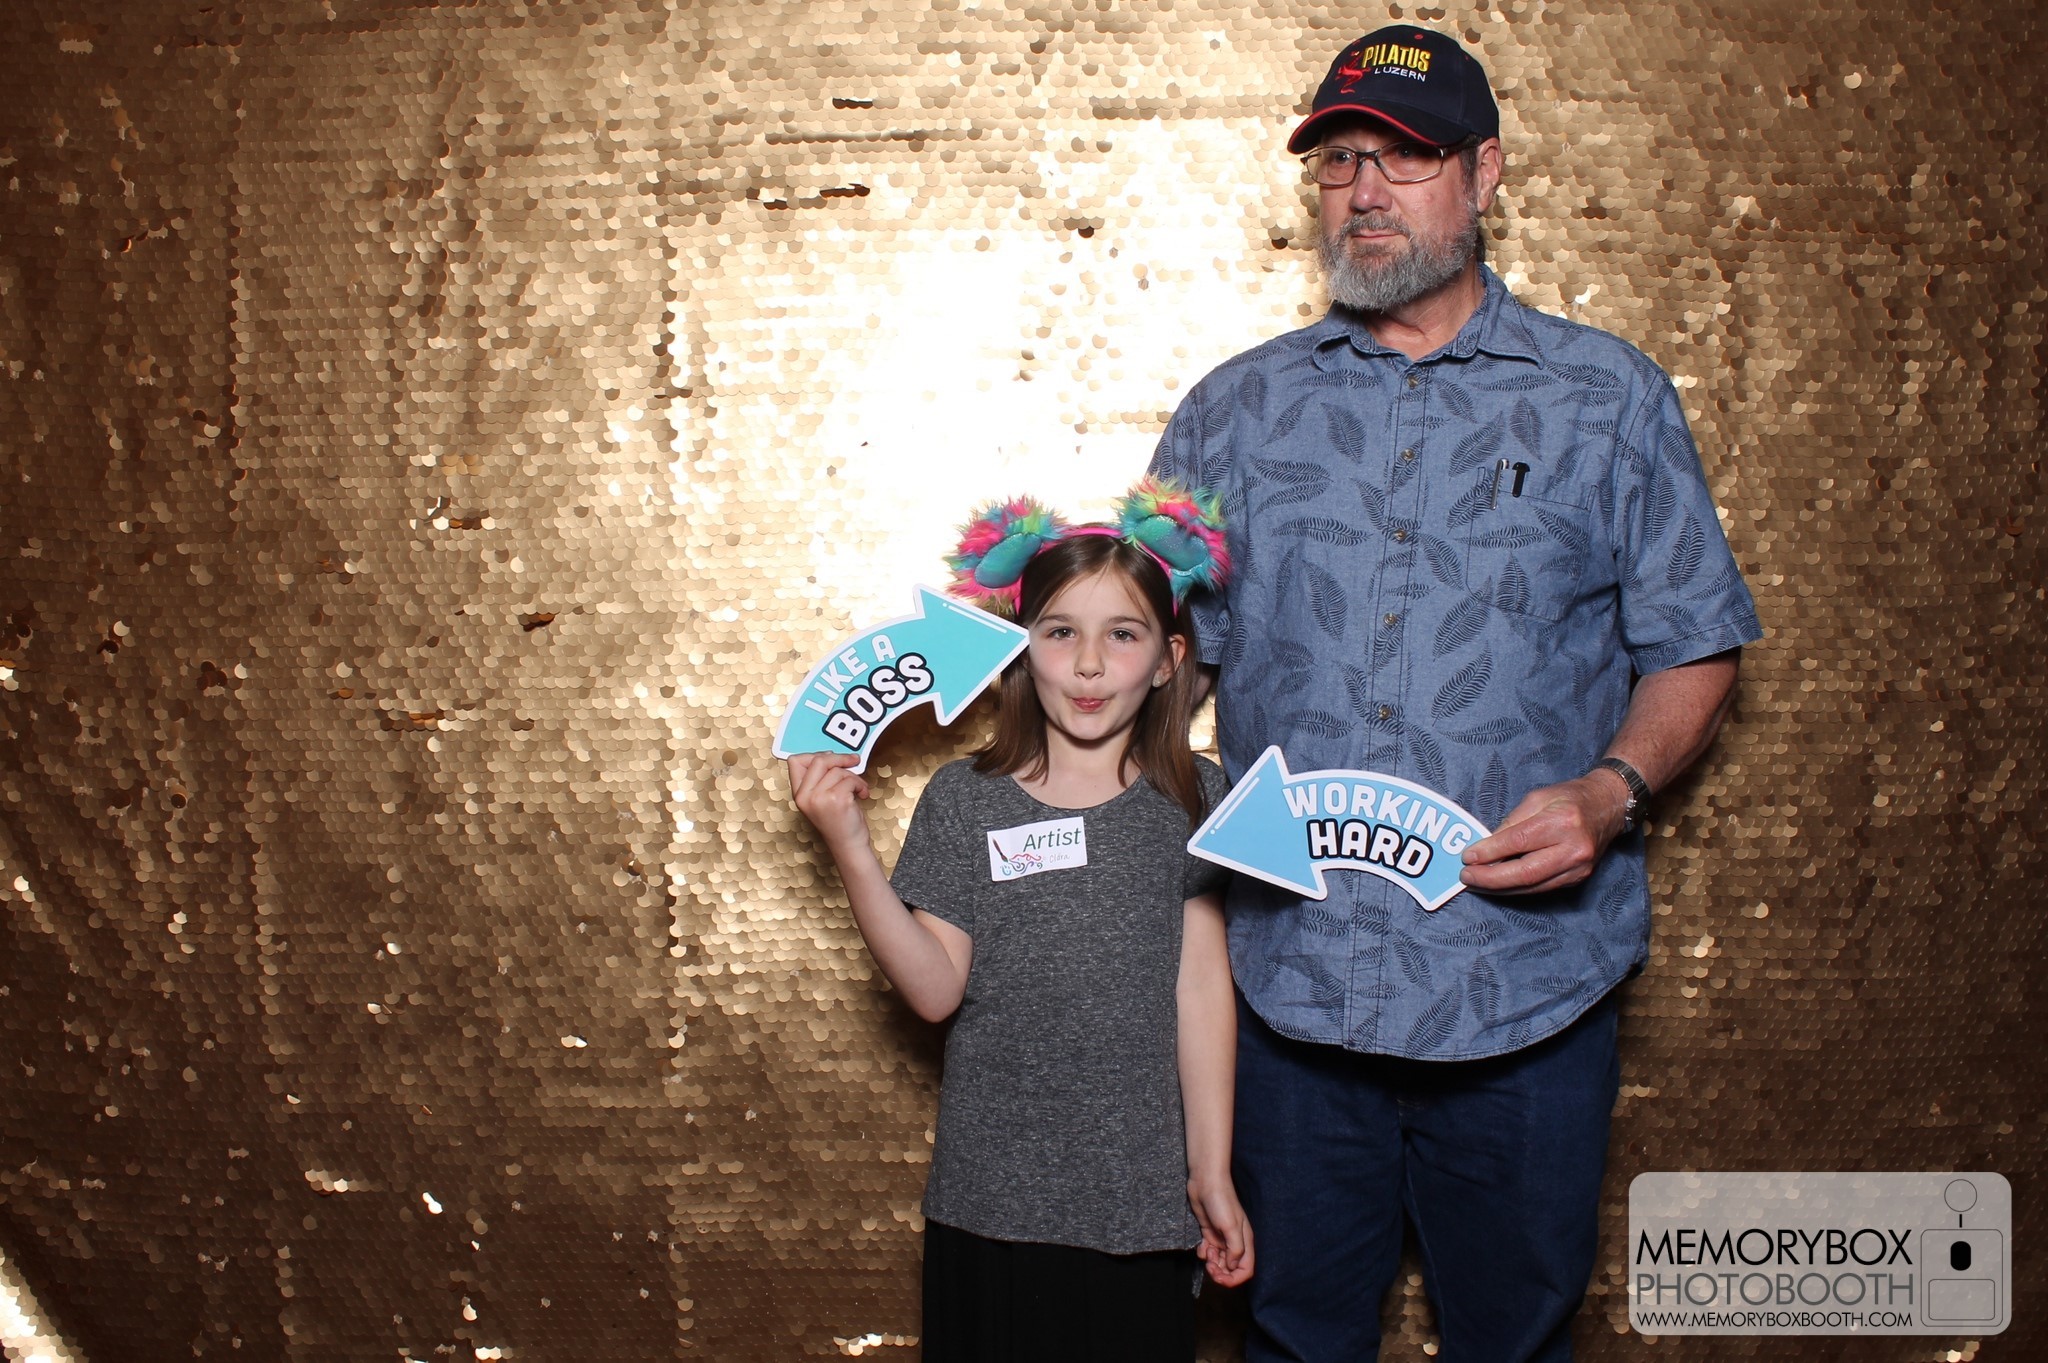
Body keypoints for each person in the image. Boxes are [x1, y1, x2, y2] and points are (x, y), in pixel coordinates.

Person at [1147, 25, 1764, 1363]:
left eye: (1405, 158)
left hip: (1527, 987)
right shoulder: (1232, 413)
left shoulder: (1607, 399)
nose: (1363, 190)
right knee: (1291, 1335)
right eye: (1338, 161)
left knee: (1519, 1337)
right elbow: (1161, 658)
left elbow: (1695, 642)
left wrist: (1610, 791)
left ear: (1483, 174)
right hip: (1291, 989)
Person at [786, 481, 1254, 1363]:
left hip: (1139, 1206)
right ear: (1019, 646)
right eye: (1060, 632)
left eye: (1122, 635)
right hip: (987, 1206)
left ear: (1167, 659)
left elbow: (1201, 992)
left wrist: (1211, 1169)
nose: (1089, 665)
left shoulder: (1197, 798)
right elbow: (934, 991)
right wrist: (849, 842)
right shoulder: (965, 800)